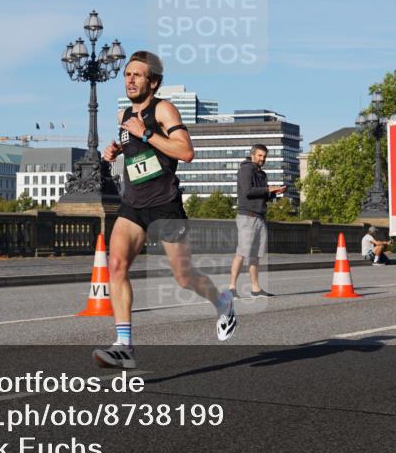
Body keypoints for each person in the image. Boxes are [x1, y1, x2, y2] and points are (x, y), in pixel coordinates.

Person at [94, 51, 236, 370]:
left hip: (164, 205)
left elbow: (186, 152)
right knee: (115, 265)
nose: (130, 79)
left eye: (137, 75)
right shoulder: (123, 116)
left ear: (153, 82)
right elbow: (137, 154)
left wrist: (143, 133)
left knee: (184, 277)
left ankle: (222, 301)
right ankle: (124, 345)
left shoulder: (163, 109)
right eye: (127, 74)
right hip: (133, 204)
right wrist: (117, 150)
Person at [228, 144, 286, 298]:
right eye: (260, 156)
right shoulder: (245, 170)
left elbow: (262, 195)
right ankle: (232, 288)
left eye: (265, 156)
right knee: (242, 253)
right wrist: (268, 189)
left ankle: (255, 288)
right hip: (248, 216)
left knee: (255, 255)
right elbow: (248, 191)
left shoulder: (262, 174)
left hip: (260, 217)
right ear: (253, 155)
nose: (262, 159)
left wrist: (274, 193)